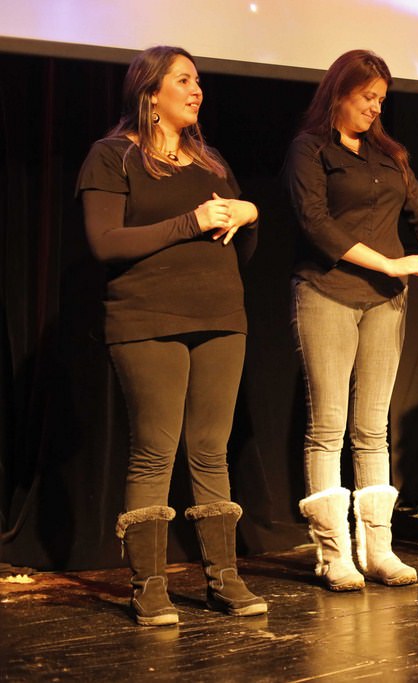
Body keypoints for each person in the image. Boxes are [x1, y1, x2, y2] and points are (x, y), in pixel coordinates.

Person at [77, 46, 266, 625]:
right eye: (183, 80)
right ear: (150, 92)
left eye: (198, 80)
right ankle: (149, 586)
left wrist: (249, 214)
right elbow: (105, 242)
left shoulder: (210, 161)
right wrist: (192, 221)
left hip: (220, 315)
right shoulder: (112, 156)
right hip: (146, 319)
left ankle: (223, 579)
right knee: (155, 450)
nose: (197, 89)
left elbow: (241, 244)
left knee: (210, 449)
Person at [285, 50, 418, 590]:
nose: (375, 108)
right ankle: (333, 554)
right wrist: (389, 262)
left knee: (372, 427)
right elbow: (316, 224)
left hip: (384, 302)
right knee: (328, 427)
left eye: (381, 100)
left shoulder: (389, 155)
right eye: (367, 97)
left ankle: (378, 549)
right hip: (328, 292)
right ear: (339, 93)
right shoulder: (309, 149)